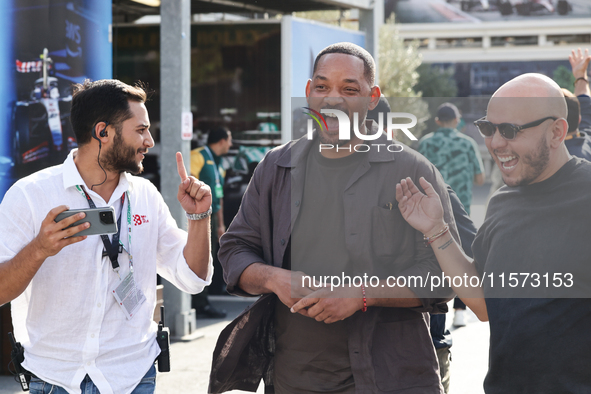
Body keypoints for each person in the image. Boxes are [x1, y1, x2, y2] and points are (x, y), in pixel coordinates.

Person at [211, 42, 459, 393]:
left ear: (372, 98)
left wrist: (362, 294)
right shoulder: (276, 167)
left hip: (391, 376)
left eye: (349, 89)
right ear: (310, 92)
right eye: (323, 86)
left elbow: (443, 279)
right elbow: (235, 251)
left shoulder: (410, 170)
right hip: (295, 378)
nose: (333, 99)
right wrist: (274, 279)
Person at [0, 79, 213, 394]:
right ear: (103, 132)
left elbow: (193, 279)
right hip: (54, 378)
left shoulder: (146, 196)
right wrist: (39, 250)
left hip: (133, 375)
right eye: (141, 130)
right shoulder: (30, 195)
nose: (150, 141)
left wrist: (199, 216)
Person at [396, 73, 591, 392]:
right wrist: (437, 229)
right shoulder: (503, 201)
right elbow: (485, 303)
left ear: (557, 132)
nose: (496, 143)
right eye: (488, 128)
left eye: (510, 130)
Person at [367, 97, 478, 392]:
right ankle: (459, 312)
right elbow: (471, 249)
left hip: (406, 351)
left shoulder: (417, 172)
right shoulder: (423, 174)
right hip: (418, 348)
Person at [418, 102, 485, 328]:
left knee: (435, 260)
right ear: (457, 120)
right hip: (460, 209)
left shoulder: (425, 143)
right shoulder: (467, 143)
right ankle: (459, 310)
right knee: (463, 258)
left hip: (429, 211)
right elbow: (480, 178)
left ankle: (435, 320)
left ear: (437, 121)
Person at [190, 127, 233, 317]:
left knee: (209, 257)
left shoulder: (220, 164)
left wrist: (221, 224)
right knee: (197, 256)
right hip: (196, 215)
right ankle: (197, 304)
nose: (231, 145)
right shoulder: (198, 156)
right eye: (230, 140)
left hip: (212, 216)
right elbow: (186, 184)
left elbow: (219, 196)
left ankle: (203, 300)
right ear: (222, 141)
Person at [563, 48, 591, 160]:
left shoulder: (548, 159)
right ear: (579, 119)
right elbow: (584, 100)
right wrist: (580, 76)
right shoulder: (587, 138)